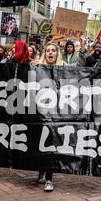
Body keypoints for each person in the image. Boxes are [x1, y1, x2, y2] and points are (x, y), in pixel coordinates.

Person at [37, 44, 67, 192]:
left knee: (51, 144)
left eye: (53, 50)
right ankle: (41, 171)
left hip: (56, 113)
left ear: (57, 53)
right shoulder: (36, 68)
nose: (50, 53)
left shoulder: (65, 68)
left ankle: (49, 178)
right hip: (39, 112)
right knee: (39, 142)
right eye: (47, 50)